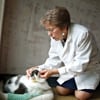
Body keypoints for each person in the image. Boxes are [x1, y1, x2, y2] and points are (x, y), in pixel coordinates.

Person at [26, 6, 100, 100]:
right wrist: (38, 68)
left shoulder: (83, 34)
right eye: (47, 30)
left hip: (88, 70)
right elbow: (53, 60)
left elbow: (80, 65)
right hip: (71, 70)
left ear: (64, 26)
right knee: (61, 91)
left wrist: (54, 72)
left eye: (51, 29)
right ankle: (77, 86)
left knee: (81, 96)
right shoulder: (56, 37)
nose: (49, 34)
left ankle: (93, 84)